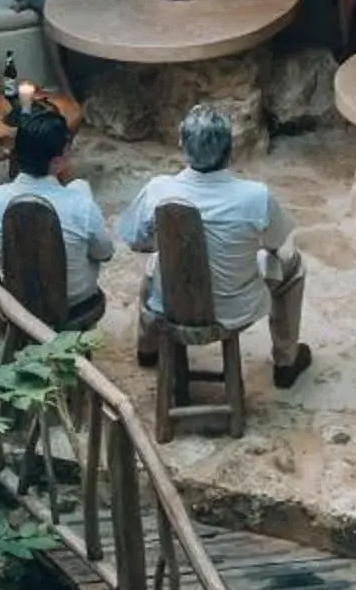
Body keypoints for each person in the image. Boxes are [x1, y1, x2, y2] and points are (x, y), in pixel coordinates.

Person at [119, 104, 313, 389]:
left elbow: (135, 239)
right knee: (293, 266)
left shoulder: (158, 189)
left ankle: (147, 348)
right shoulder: (255, 196)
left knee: (155, 265)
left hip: (172, 304)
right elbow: (275, 245)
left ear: (182, 145)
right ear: (229, 150)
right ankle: (286, 359)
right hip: (233, 308)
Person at [0, 107, 116, 328]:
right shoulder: (80, 203)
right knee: (81, 195)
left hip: (16, 302)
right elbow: (105, 252)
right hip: (73, 302)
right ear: (57, 161)